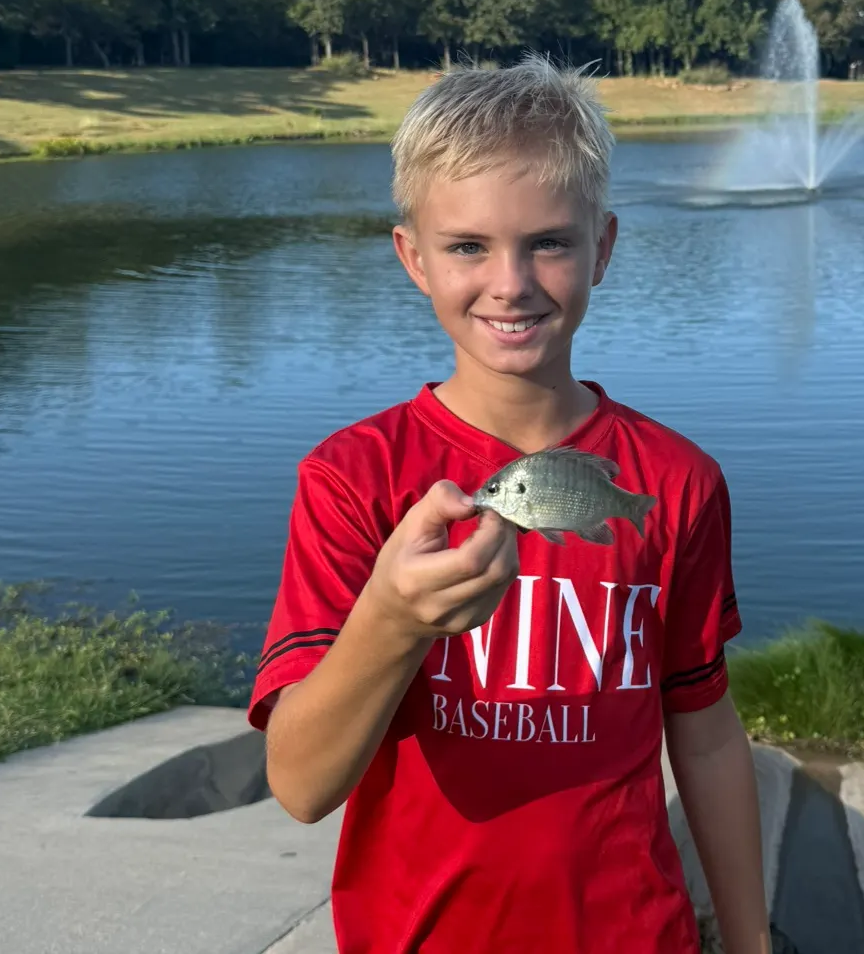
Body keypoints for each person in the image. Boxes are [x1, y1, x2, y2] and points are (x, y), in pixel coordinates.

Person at [250, 56, 770, 954]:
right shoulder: (352, 479)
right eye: (467, 247)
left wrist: (751, 942)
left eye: (550, 243)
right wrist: (390, 618)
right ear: (413, 257)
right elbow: (300, 785)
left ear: (603, 249)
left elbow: (708, 731)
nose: (510, 283)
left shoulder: (678, 481)